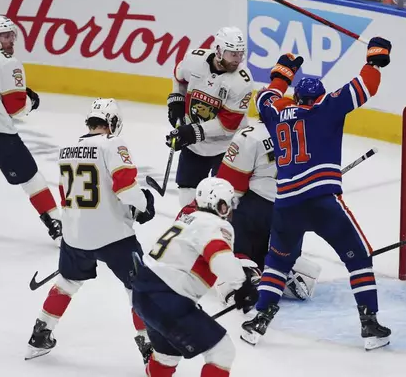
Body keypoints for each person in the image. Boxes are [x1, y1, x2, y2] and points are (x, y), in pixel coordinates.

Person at [240, 37, 393, 351]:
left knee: (277, 263)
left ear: (296, 97)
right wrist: (376, 55)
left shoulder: (276, 113)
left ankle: (259, 321)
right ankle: (370, 324)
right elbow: (366, 84)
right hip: (322, 200)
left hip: (285, 206)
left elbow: (265, 97)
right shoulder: (327, 106)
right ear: (319, 96)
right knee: (358, 256)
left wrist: (284, 73)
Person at [25, 98, 156, 363]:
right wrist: (144, 204)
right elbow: (124, 189)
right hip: (114, 236)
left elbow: (66, 195)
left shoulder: (66, 149)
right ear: (113, 123)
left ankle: (40, 335)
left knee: (68, 281)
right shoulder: (113, 144)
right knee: (139, 287)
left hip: (74, 235)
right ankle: (148, 345)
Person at [131, 177, 259, 377]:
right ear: (220, 205)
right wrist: (243, 285)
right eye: (229, 203)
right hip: (168, 298)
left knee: (167, 356)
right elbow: (220, 260)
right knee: (222, 352)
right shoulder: (214, 224)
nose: (231, 210)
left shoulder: (188, 219)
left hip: (143, 294)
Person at [0, 15, 61, 242]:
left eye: (12, 35)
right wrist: (31, 101)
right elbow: (16, 109)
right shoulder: (6, 62)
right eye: (4, 36)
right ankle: (56, 225)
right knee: (31, 178)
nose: (10, 40)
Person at [215, 121, 322, 301]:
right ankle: (284, 271)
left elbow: (231, 183)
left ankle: (242, 278)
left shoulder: (251, 135)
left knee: (234, 253)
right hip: (292, 208)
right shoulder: (309, 132)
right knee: (282, 256)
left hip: (257, 208)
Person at [165, 26, 254, 207]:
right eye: (232, 54)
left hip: (226, 146)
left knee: (222, 198)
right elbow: (178, 76)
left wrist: (191, 132)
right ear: (219, 50)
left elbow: (228, 125)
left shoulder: (242, 81)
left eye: (240, 54)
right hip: (196, 144)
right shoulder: (194, 60)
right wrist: (177, 99)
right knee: (187, 192)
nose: (237, 60)